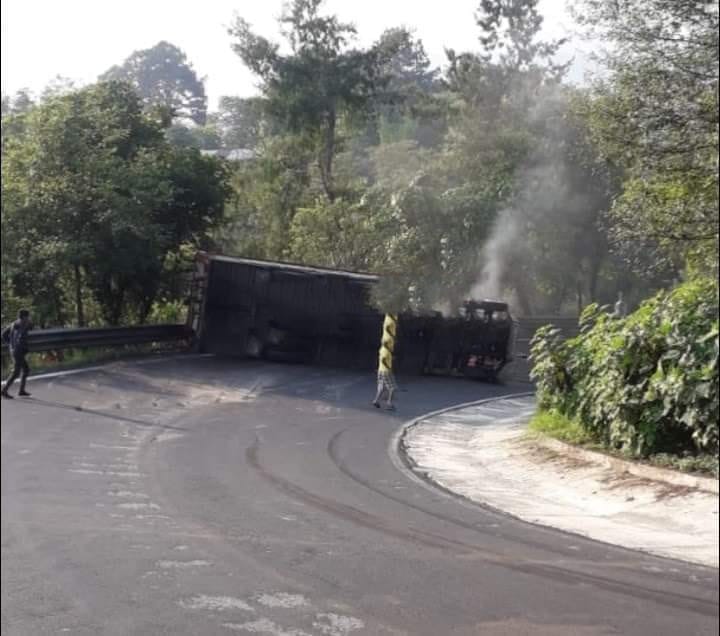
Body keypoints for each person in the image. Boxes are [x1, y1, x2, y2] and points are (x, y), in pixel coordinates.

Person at [1, 309, 33, 399]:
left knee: (26, 370)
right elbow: (23, 333)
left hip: (15, 350)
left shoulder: (14, 323)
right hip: (18, 351)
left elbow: (3, 334)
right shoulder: (22, 323)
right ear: (24, 317)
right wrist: (16, 346)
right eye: (28, 316)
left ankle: (21, 390)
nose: (29, 318)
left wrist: (10, 344)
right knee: (16, 372)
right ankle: (4, 391)